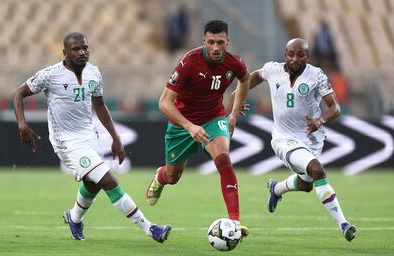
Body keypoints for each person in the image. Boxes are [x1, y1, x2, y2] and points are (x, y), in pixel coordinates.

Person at [13, 32, 171, 243]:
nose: (82, 52)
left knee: (93, 183)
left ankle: (74, 217)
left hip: (89, 136)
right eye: (76, 49)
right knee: (108, 180)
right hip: (66, 141)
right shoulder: (50, 75)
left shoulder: (94, 73)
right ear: (65, 52)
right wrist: (22, 125)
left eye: (85, 48)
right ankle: (150, 228)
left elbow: (99, 105)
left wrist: (115, 138)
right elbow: (18, 94)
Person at [145, 20, 250, 237]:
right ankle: (160, 177)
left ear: (228, 42)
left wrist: (234, 112)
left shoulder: (235, 63)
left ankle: (234, 222)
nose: (215, 47)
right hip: (182, 122)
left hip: (213, 118)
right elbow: (164, 103)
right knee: (174, 176)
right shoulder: (189, 62)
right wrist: (189, 126)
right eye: (211, 42)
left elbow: (245, 79)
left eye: (220, 42)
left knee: (223, 158)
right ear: (204, 41)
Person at [248, 38, 356, 242]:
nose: (295, 58)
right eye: (291, 54)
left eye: (300, 54)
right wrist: (239, 94)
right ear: (285, 54)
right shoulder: (272, 69)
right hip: (283, 138)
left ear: (308, 56)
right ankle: (344, 224)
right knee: (317, 170)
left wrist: (320, 120)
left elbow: (335, 108)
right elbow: (254, 77)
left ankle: (277, 188)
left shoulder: (316, 75)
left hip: (312, 139)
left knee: (307, 184)